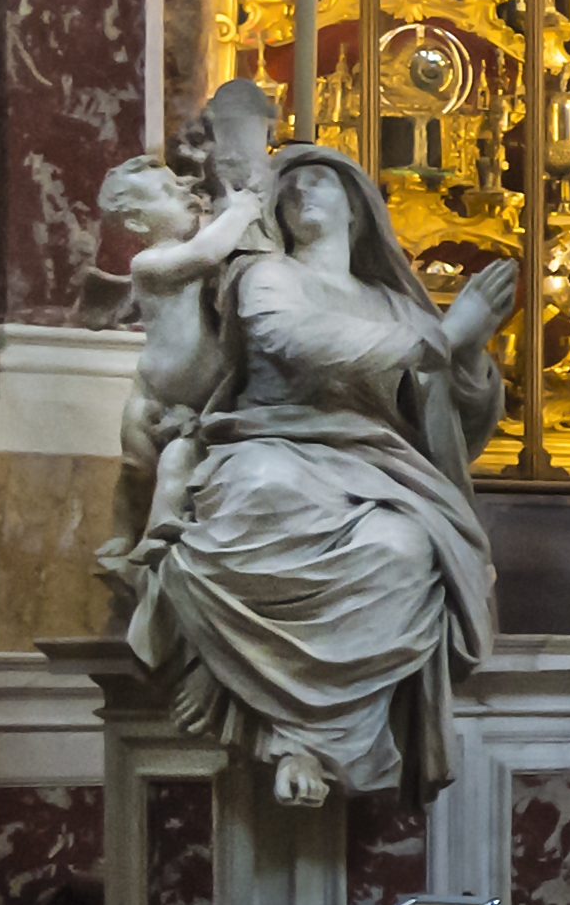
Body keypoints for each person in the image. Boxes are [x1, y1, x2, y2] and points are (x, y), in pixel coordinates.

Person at [101, 128, 510, 802]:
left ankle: (321, 743)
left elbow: (448, 422)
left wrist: (465, 358)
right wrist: (442, 337)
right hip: (269, 445)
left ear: (357, 204)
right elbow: (293, 339)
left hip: (376, 470)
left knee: (404, 549)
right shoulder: (267, 275)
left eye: (319, 178)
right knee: (263, 492)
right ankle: (293, 739)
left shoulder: (396, 307)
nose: (300, 189)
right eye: (287, 184)